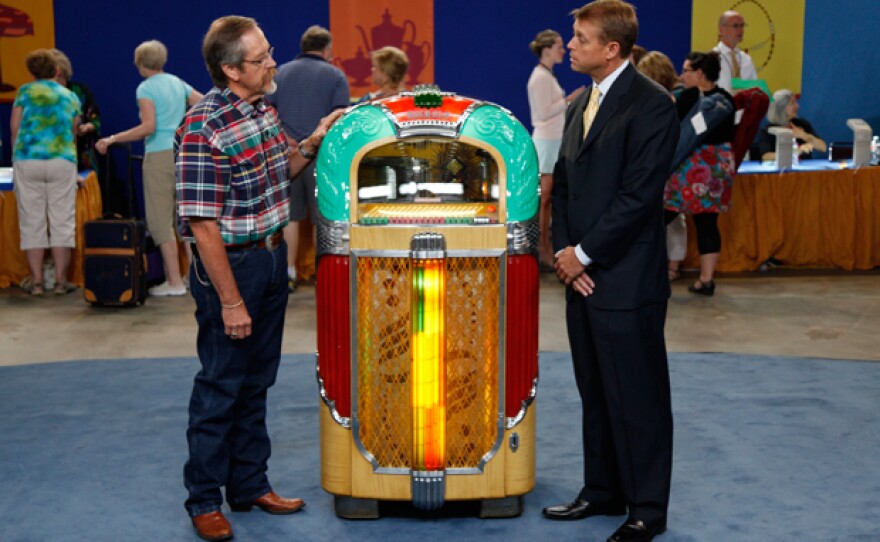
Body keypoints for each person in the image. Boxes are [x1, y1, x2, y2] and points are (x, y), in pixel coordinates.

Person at [175, 15, 342, 542]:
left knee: (257, 382)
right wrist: (229, 301)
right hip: (233, 267)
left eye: (269, 52)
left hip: (270, 261)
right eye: (262, 58)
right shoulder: (204, 128)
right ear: (230, 69)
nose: (273, 63)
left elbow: (282, 170)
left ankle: (248, 484)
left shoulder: (262, 108)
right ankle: (204, 499)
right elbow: (202, 226)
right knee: (221, 385)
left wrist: (314, 139)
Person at [544, 2, 678, 541]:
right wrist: (564, 254)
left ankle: (647, 507)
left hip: (626, 280)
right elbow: (563, 184)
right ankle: (601, 491)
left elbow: (638, 197)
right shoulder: (582, 103)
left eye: (579, 37)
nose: (569, 44)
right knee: (595, 392)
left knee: (638, 399)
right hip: (583, 277)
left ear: (612, 49)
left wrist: (584, 254)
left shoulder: (652, 106)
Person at [95, 40, 203, 297]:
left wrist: (112, 139)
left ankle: (174, 282)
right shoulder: (178, 82)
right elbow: (204, 103)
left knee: (159, 220)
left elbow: (148, 127)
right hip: (183, 153)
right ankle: (194, 277)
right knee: (185, 218)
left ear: (141, 64)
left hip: (158, 155)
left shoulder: (145, 87)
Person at [269, 25, 349, 291]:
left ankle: (289, 273)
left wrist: (285, 137)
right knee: (321, 218)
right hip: (321, 158)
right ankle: (321, 274)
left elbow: (266, 112)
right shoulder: (335, 75)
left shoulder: (279, 73)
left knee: (289, 217)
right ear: (327, 49)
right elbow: (339, 117)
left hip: (287, 155)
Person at [10, 49, 81, 297]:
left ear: (32, 72)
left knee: (32, 221)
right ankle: (61, 282)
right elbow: (73, 132)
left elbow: (14, 127)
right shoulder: (70, 96)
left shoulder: (24, 93)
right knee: (62, 221)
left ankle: (38, 282)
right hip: (62, 160)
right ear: (57, 71)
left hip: (28, 159)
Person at [664, 52, 736, 297]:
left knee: (660, 216)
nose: (681, 75)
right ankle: (706, 280)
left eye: (685, 70)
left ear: (699, 74)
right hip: (717, 169)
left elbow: (680, 133)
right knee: (707, 223)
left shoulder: (691, 98)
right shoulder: (726, 99)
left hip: (690, 169)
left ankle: (648, 271)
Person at [527, 29, 585, 270]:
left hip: (553, 141)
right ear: (547, 49)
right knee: (544, 200)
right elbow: (541, 114)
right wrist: (570, 100)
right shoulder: (540, 77)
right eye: (560, 45)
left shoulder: (546, 75)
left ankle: (545, 247)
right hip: (546, 142)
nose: (565, 49)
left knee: (548, 199)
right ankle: (541, 248)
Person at [635, 50, 686, 282]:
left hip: (665, 172)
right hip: (673, 169)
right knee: (673, 221)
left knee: (667, 220)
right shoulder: (674, 99)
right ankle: (672, 266)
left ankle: (669, 267)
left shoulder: (662, 103)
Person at [51, 50, 102, 176]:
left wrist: (86, 128)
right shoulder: (42, 96)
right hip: (51, 154)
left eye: (60, 77)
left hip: (82, 154)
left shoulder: (79, 91)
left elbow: (95, 120)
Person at [756, 89, 827, 161]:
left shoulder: (802, 124)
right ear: (781, 107)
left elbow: (823, 147)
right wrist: (796, 151)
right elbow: (766, 157)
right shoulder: (768, 130)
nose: (797, 106)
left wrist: (804, 136)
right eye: (792, 103)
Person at [713, 10, 757, 93]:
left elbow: (754, 89)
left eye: (742, 26)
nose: (741, 30)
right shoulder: (711, 58)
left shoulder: (746, 59)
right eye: (735, 26)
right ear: (721, 29)